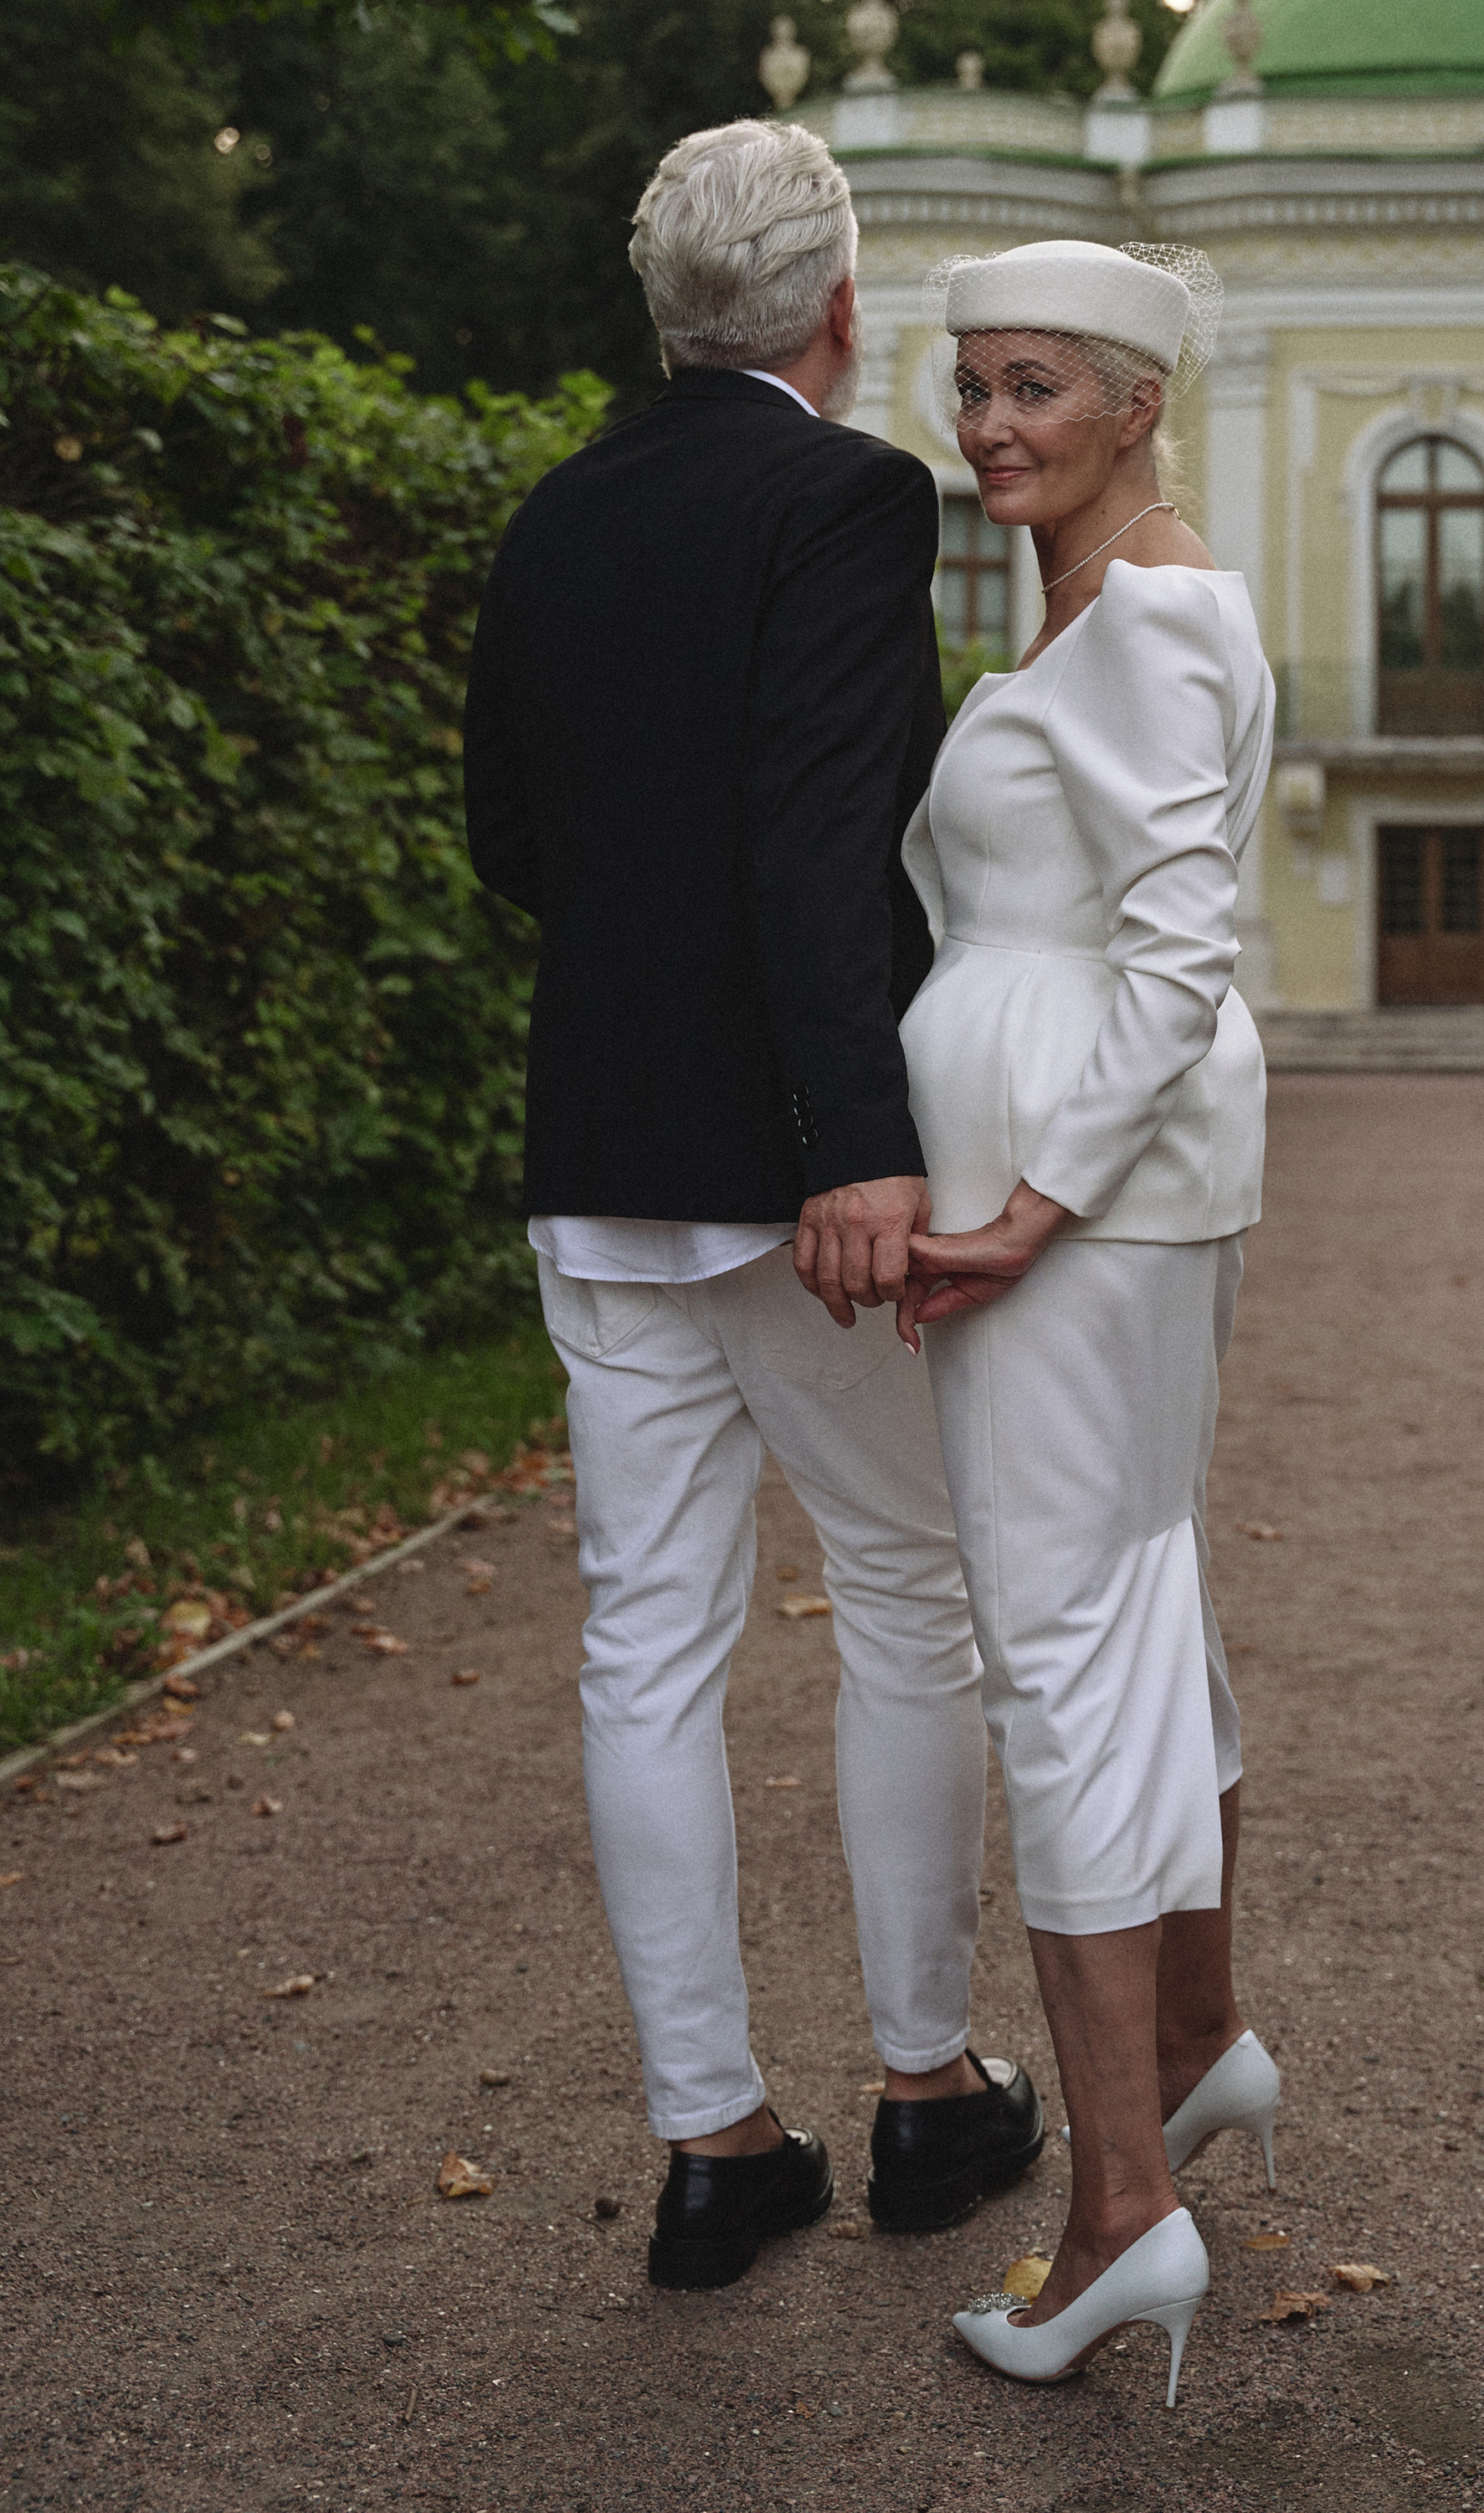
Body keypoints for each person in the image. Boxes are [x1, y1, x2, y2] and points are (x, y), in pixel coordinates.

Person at [461, 121, 1041, 2295]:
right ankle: (923, 2095)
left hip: (598, 1163)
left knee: (646, 1650)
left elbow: (507, 825)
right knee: (907, 1593)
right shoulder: (847, 494)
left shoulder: (557, 512)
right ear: (839, 312)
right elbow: (820, 838)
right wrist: (847, 1134)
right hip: (795, 1176)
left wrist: (640, 994)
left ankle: (715, 2144)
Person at [890, 239, 1281, 2408]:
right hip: (1100, 1195)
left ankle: (1122, 2206)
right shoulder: (1109, 594)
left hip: (1080, 1206)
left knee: (1065, 1654)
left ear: (1136, 399)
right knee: (1137, 1605)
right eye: (969, 388)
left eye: (1032, 386)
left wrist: (1032, 1202)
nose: (987, 427)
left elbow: (1182, 940)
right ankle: (1199, 2044)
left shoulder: (1145, 614)